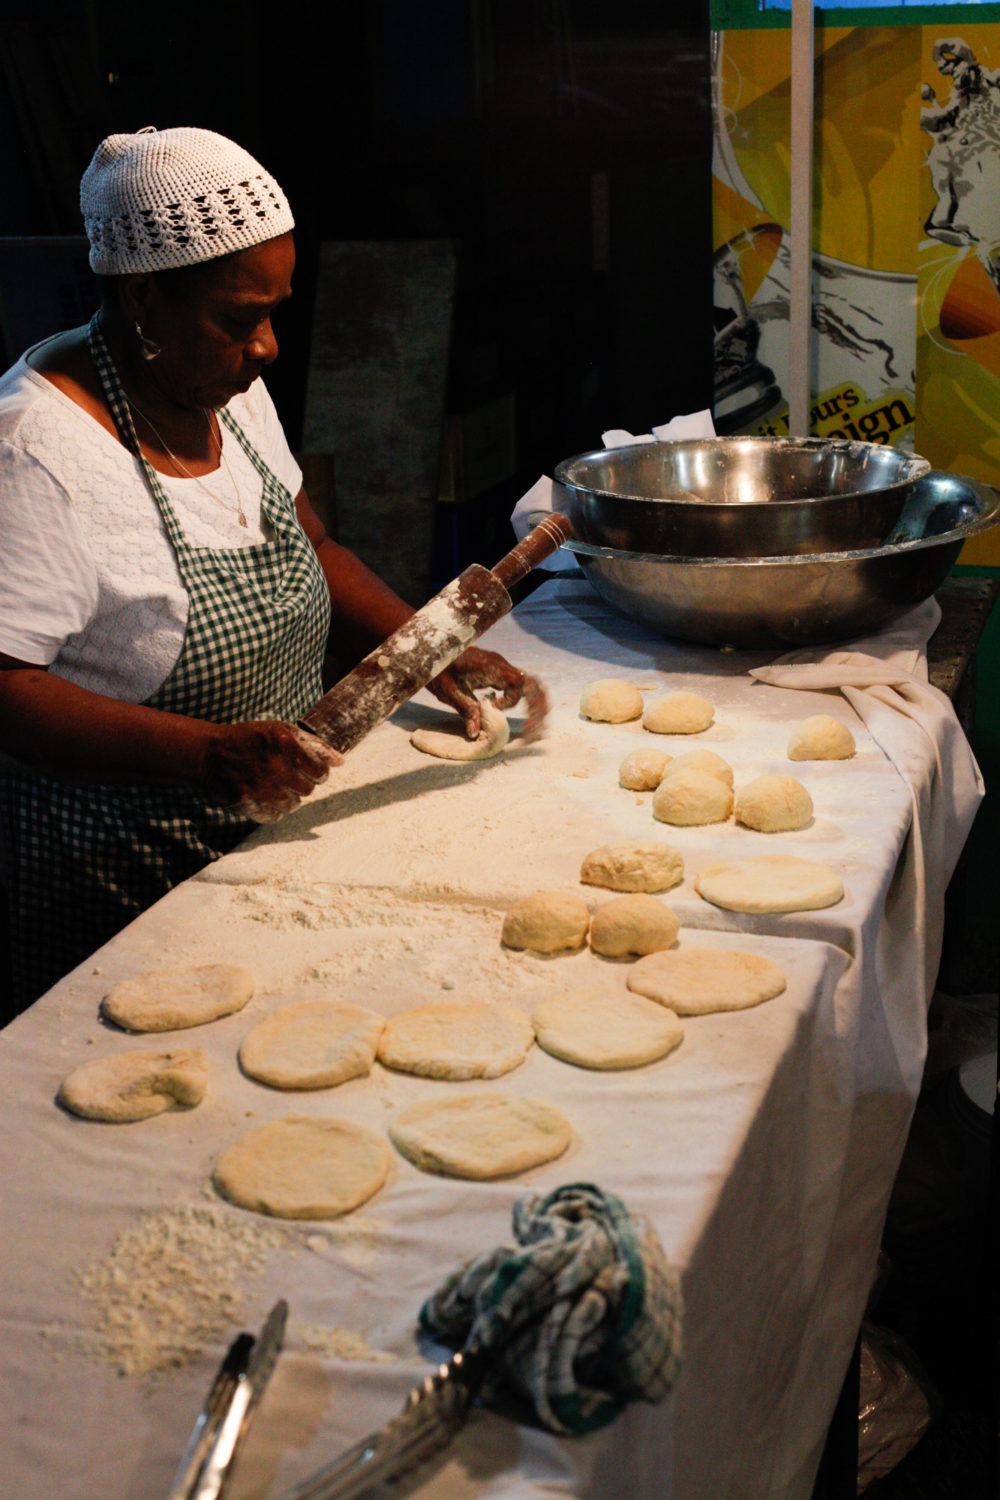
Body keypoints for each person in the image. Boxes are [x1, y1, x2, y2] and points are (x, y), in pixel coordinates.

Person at [0, 126, 545, 1010]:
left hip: (266, 837)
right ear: (143, 302)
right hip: (119, 873)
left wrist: (425, 648)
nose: (267, 350)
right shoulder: (34, 449)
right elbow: (6, 685)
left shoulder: (219, 385)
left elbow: (309, 543)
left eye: (274, 312)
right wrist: (208, 754)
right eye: (239, 319)